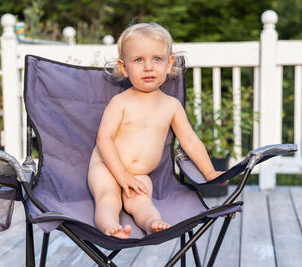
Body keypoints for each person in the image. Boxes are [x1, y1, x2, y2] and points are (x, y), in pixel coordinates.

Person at [88, 22, 225, 239]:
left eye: (157, 59)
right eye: (138, 60)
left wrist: (209, 172)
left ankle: (152, 223)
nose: (148, 67)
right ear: (124, 67)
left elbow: (189, 141)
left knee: (142, 201)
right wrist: (121, 175)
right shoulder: (120, 102)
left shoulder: (171, 106)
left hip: (140, 174)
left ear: (169, 63)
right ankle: (109, 227)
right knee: (108, 197)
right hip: (106, 167)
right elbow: (103, 139)